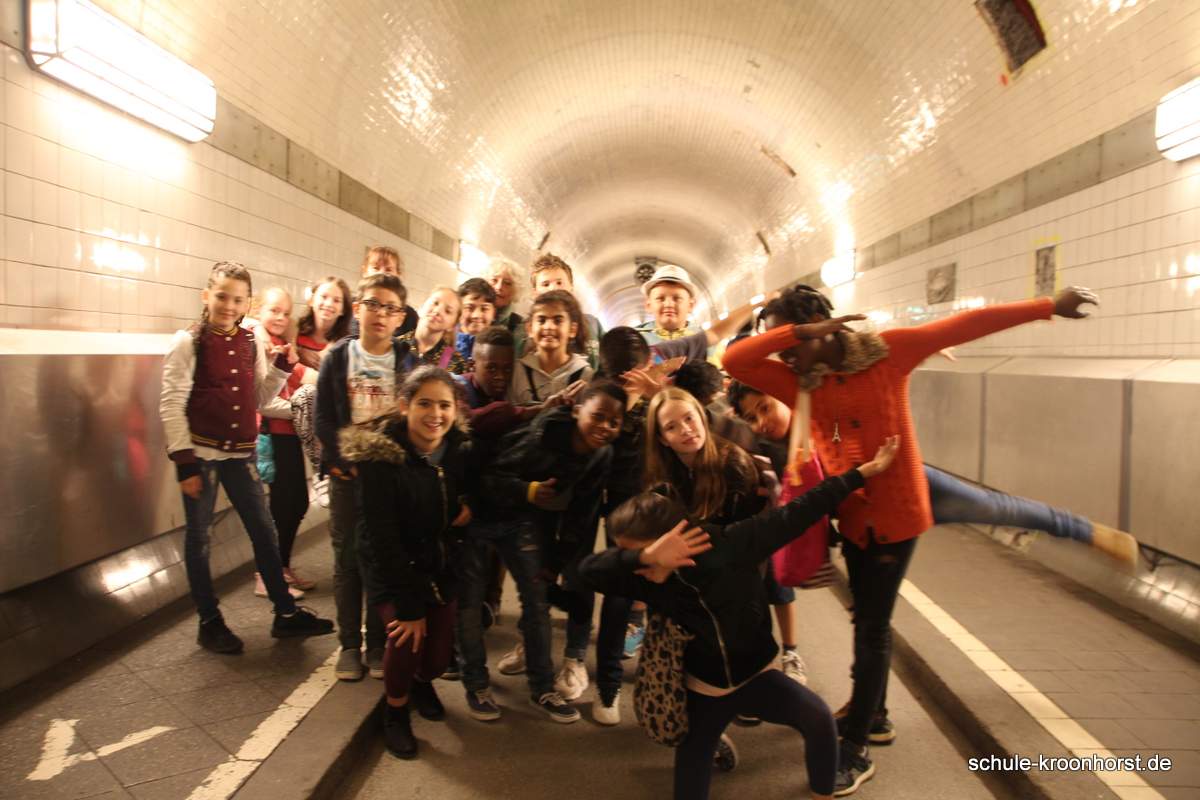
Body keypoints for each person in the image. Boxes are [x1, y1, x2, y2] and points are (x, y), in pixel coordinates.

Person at [723, 284, 1099, 795]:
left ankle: (857, 746)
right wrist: (798, 335)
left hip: (896, 517)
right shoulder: (799, 384)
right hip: (855, 519)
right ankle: (874, 714)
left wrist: (1048, 306)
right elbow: (736, 359)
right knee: (867, 618)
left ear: (822, 324)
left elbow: (966, 324)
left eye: (791, 338)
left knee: (873, 627)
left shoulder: (889, 352)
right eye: (781, 341)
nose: (784, 353)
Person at [579, 436, 900, 800]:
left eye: (642, 552)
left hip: (757, 678)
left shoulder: (730, 545)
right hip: (701, 692)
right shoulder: (645, 576)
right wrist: (643, 558)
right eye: (635, 557)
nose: (637, 566)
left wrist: (862, 473)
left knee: (819, 719)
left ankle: (823, 792)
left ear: (673, 539)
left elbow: (800, 511)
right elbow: (586, 572)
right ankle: (716, 739)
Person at [159, 261, 334, 654]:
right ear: (206, 296)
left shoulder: (249, 340)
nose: (228, 305)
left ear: (247, 303)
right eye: (222, 296)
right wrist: (185, 463)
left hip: (240, 455)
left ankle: (285, 613)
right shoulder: (188, 342)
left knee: (264, 530)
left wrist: (281, 370)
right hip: (201, 456)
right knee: (199, 538)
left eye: (237, 299)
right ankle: (209, 621)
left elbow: (257, 397)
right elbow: (171, 404)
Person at [339, 366, 472, 759]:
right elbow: (383, 538)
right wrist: (409, 606)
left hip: (439, 562)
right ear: (404, 406)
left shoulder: (459, 449)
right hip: (392, 564)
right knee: (406, 638)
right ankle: (395, 712)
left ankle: (420, 682)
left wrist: (467, 507)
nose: (436, 414)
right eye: (424, 404)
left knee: (436, 660)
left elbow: (476, 488)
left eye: (444, 405)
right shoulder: (380, 460)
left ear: (455, 409)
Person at [480, 380, 626, 722]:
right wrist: (527, 491)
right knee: (533, 588)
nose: (605, 427)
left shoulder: (602, 453)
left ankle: (571, 661)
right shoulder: (544, 435)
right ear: (577, 410)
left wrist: (559, 560)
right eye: (598, 416)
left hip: (562, 510)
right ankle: (526, 651)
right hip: (518, 509)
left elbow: (584, 512)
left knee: (570, 578)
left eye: (614, 422)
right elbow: (491, 474)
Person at [315, 273, 414, 682]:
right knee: (347, 559)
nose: (380, 314)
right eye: (372, 304)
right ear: (357, 309)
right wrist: (344, 461)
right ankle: (349, 646)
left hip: (387, 478)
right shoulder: (338, 358)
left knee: (381, 557)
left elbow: (412, 420)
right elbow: (323, 417)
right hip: (347, 475)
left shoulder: (407, 361)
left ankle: (376, 643)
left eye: (390, 308)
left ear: (401, 317)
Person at [253, 287, 314, 598]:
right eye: (274, 310)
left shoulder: (279, 344)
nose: (280, 317)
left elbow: (301, 375)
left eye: (286, 313)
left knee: (297, 503)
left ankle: (281, 567)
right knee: (281, 506)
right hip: (272, 434)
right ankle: (267, 574)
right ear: (258, 309)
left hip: (289, 434)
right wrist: (303, 409)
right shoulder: (257, 341)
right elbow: (263, 402)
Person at [508, 289, 594, 404]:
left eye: (558, 321)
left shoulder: (584, 374)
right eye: (541, 320)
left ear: (572, 330)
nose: (549, 326)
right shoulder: (518, 372)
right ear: (530, 329)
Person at [523, 253, 605, 369]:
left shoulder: (593, 324)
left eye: (559, 282)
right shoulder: (522, 332)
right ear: (535, 292)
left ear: (571, 287)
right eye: (545, 284)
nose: (553, 288)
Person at [348, 245, 418, 338]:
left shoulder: (409, 316)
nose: (381, 273)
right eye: (376, 268)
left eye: (388, 270)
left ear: (398, 275)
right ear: (365, 271)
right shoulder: (347, 306)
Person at [396, 286, 468, 374]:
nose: (438, 311)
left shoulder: (457, 363)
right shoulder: (395, 345)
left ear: (452, 326)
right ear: (422, 306)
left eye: (447, 311)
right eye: (435, 303)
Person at [637, 264, 702, 345]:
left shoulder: (704, 342)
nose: (668, 304)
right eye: (660, 298)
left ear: (690, 305)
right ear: (648, 305)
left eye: (677, 298)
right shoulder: (635, 341)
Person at [296, 276, 353, 369]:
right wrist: (297, 350)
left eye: (336, 300)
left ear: (343, 310)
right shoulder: (294, 333)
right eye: (324, 297)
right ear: (311, 301)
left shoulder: (347, 347)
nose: (329, 304)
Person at [455, 277, 498, 370]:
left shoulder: (498, 351)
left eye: (484, 309)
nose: (476, 315)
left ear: (494, 314)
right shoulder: (446, 344)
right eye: (469, 308)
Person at [485, 256, 524, 333]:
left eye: (507, 283)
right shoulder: (470, 314)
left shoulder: (520, 326)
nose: (499, 287)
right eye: (494, 280)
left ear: (515, 290)